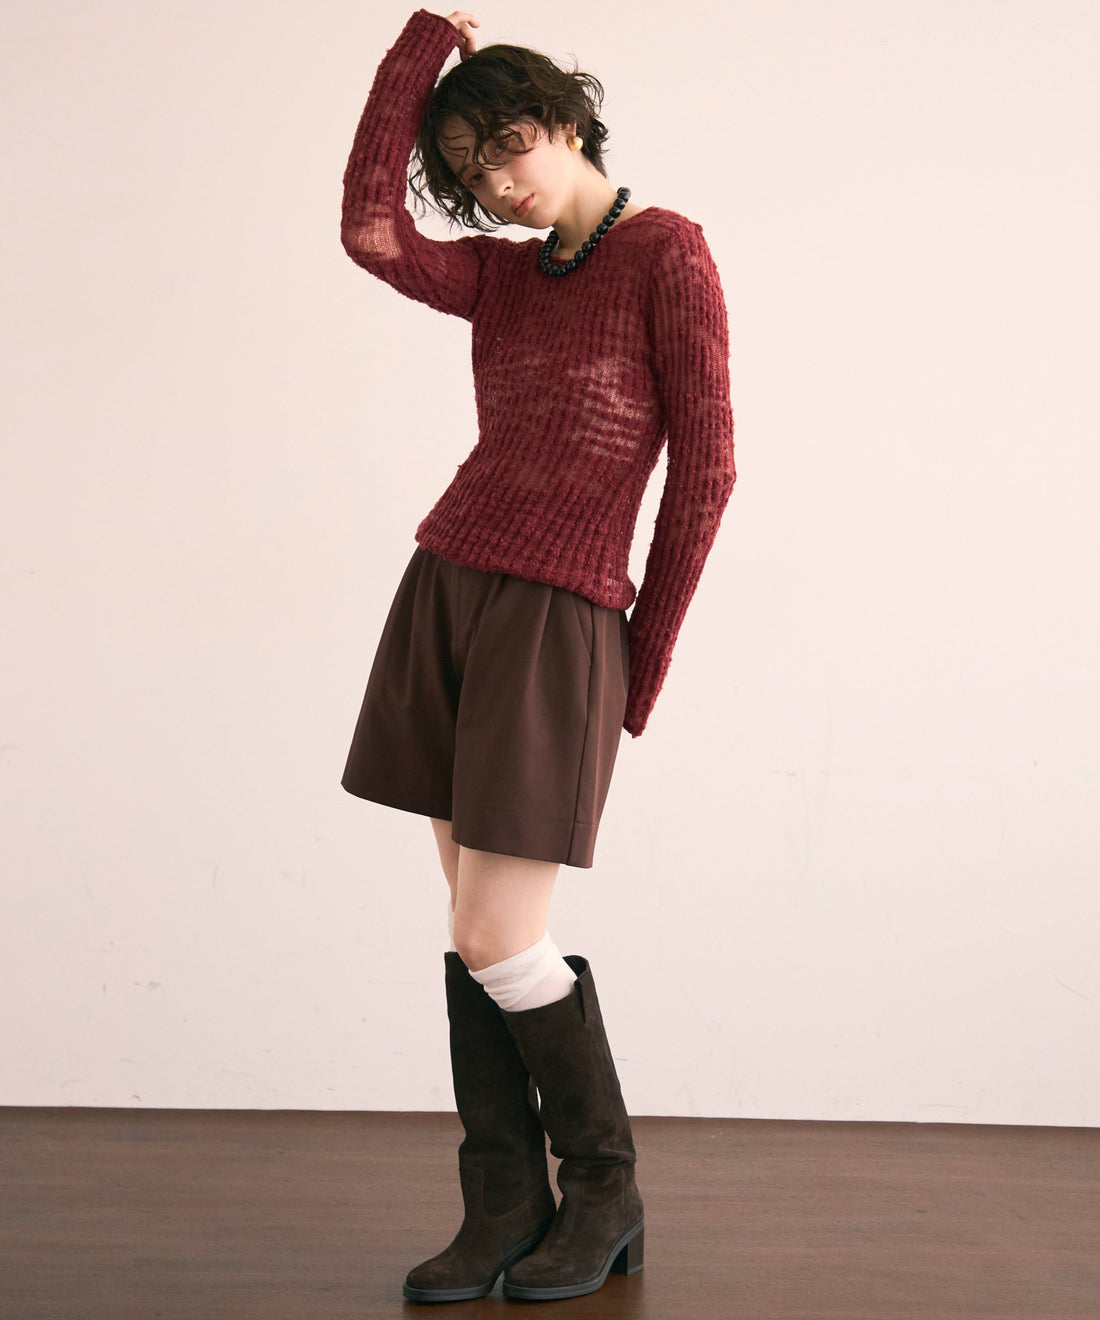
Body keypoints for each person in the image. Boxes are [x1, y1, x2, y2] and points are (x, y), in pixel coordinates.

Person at [338, 8, 735, 1303]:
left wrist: (639, 660)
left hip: (564, 613)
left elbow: (707, 473)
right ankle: (504, 1203)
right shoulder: (502, 277)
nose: (495, 184)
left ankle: (606, 1190)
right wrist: (427, 41)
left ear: (565, 120)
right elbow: (370, 230)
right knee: (474, 930)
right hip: (450, 585)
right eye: (468, 171)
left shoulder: (668, 252)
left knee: (500, 932)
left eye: (506, 145)